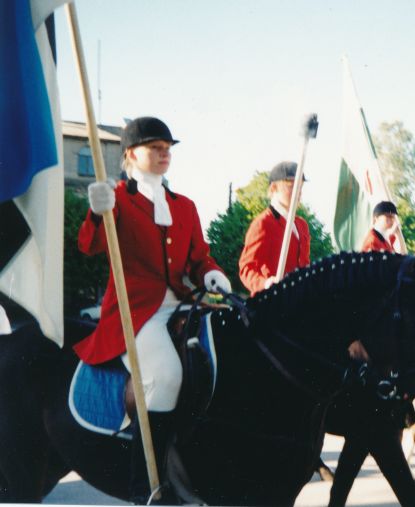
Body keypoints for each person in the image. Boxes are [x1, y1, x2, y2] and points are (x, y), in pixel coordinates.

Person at [73, 116, 232, 503]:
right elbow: (88, 245)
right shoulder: (118, 199)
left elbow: (199, 258)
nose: (164, 155)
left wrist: (211, 273)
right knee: (165, 374)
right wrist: (97, 212)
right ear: (130, 154)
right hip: (134, 311)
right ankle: (147, 484)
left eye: (168, 149)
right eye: (155, 148)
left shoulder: (185, 205)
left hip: (182, 304)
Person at [238, 161, 311, 296]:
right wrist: (265, 284)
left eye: (300, 187)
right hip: (271, 302)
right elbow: (246, 269)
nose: (298, 193)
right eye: (291, 187)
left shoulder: (302, 225)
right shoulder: (263, 223)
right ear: (273, 188)